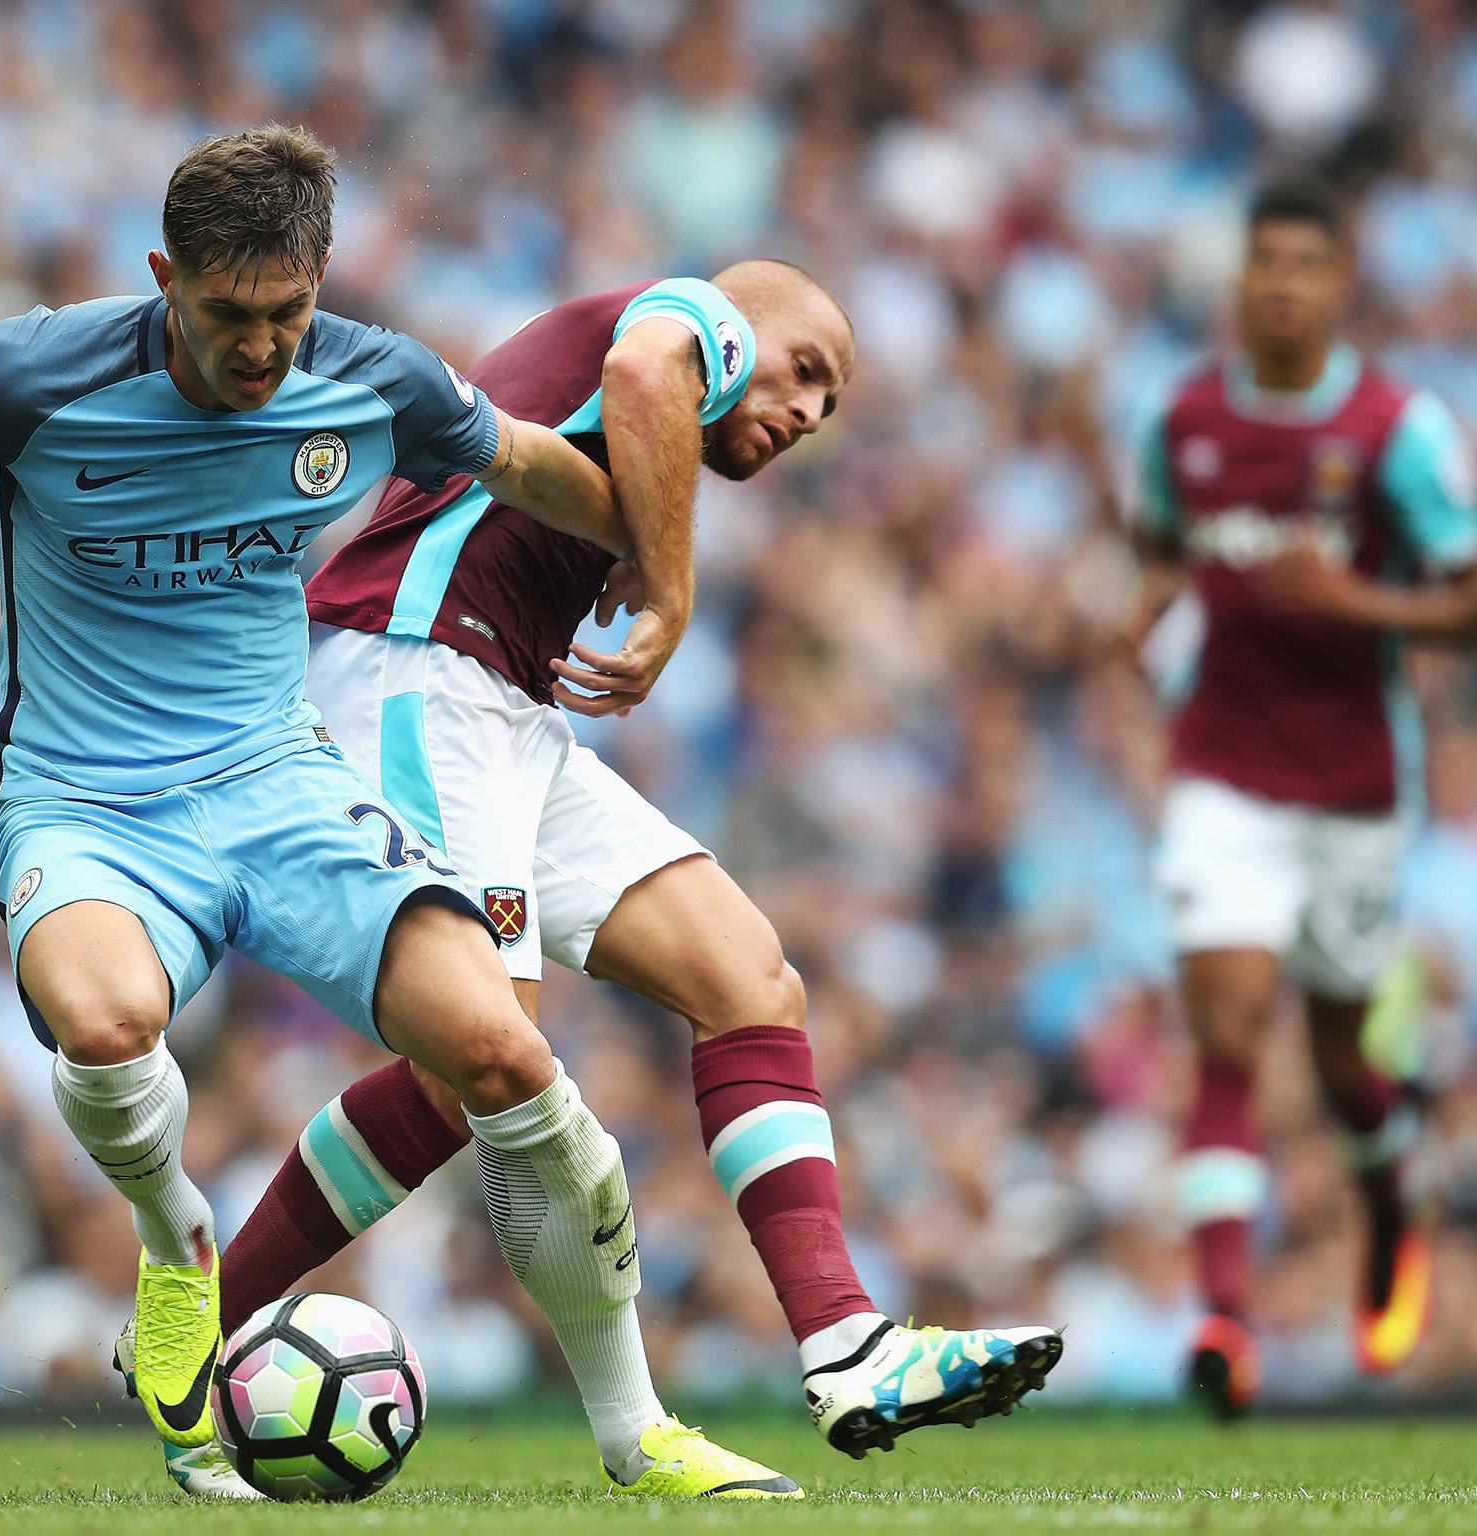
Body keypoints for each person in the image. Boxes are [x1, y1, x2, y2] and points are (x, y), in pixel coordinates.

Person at [0, 126, 801, 1501]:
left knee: (503, 1059)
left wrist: (659, 574)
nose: (260, 353)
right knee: (110, 1024)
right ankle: (176, 1242)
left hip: (285, 788)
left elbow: (541, 467)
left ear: (319, 285)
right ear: (162, 278)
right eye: (229, 317)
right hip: (86, 805)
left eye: (286, 317)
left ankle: (633, 1431)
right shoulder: (37, 371)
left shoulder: (375, 378)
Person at [200, 262, 1060, 1487]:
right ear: (740, 324)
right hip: (417, 671)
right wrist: (669, 587)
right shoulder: (682, 313)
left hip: (502, 706)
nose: (809, 414)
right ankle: (608, 1427)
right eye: (803, 370)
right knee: (484, 1067)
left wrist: (645, 542)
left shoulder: (639, 432)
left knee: (748, 980)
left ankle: (844, 1341)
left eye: (832, 407)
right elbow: (648, 367)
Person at [1124, 174, 1477, 1417]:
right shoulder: (1179, 421)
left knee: (1337, 1063)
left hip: (1354, 788)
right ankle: (1223, 1316)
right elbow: (1158, 547)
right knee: (1223, 1025)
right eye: (1261, 261)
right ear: (1239, 280)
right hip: (1219, 767)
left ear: (1338, 285)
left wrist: (1358, 605)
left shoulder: (1397, 432)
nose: (1279, 283)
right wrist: (1149, 615)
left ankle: (1387, 1195)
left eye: (1302, 264)